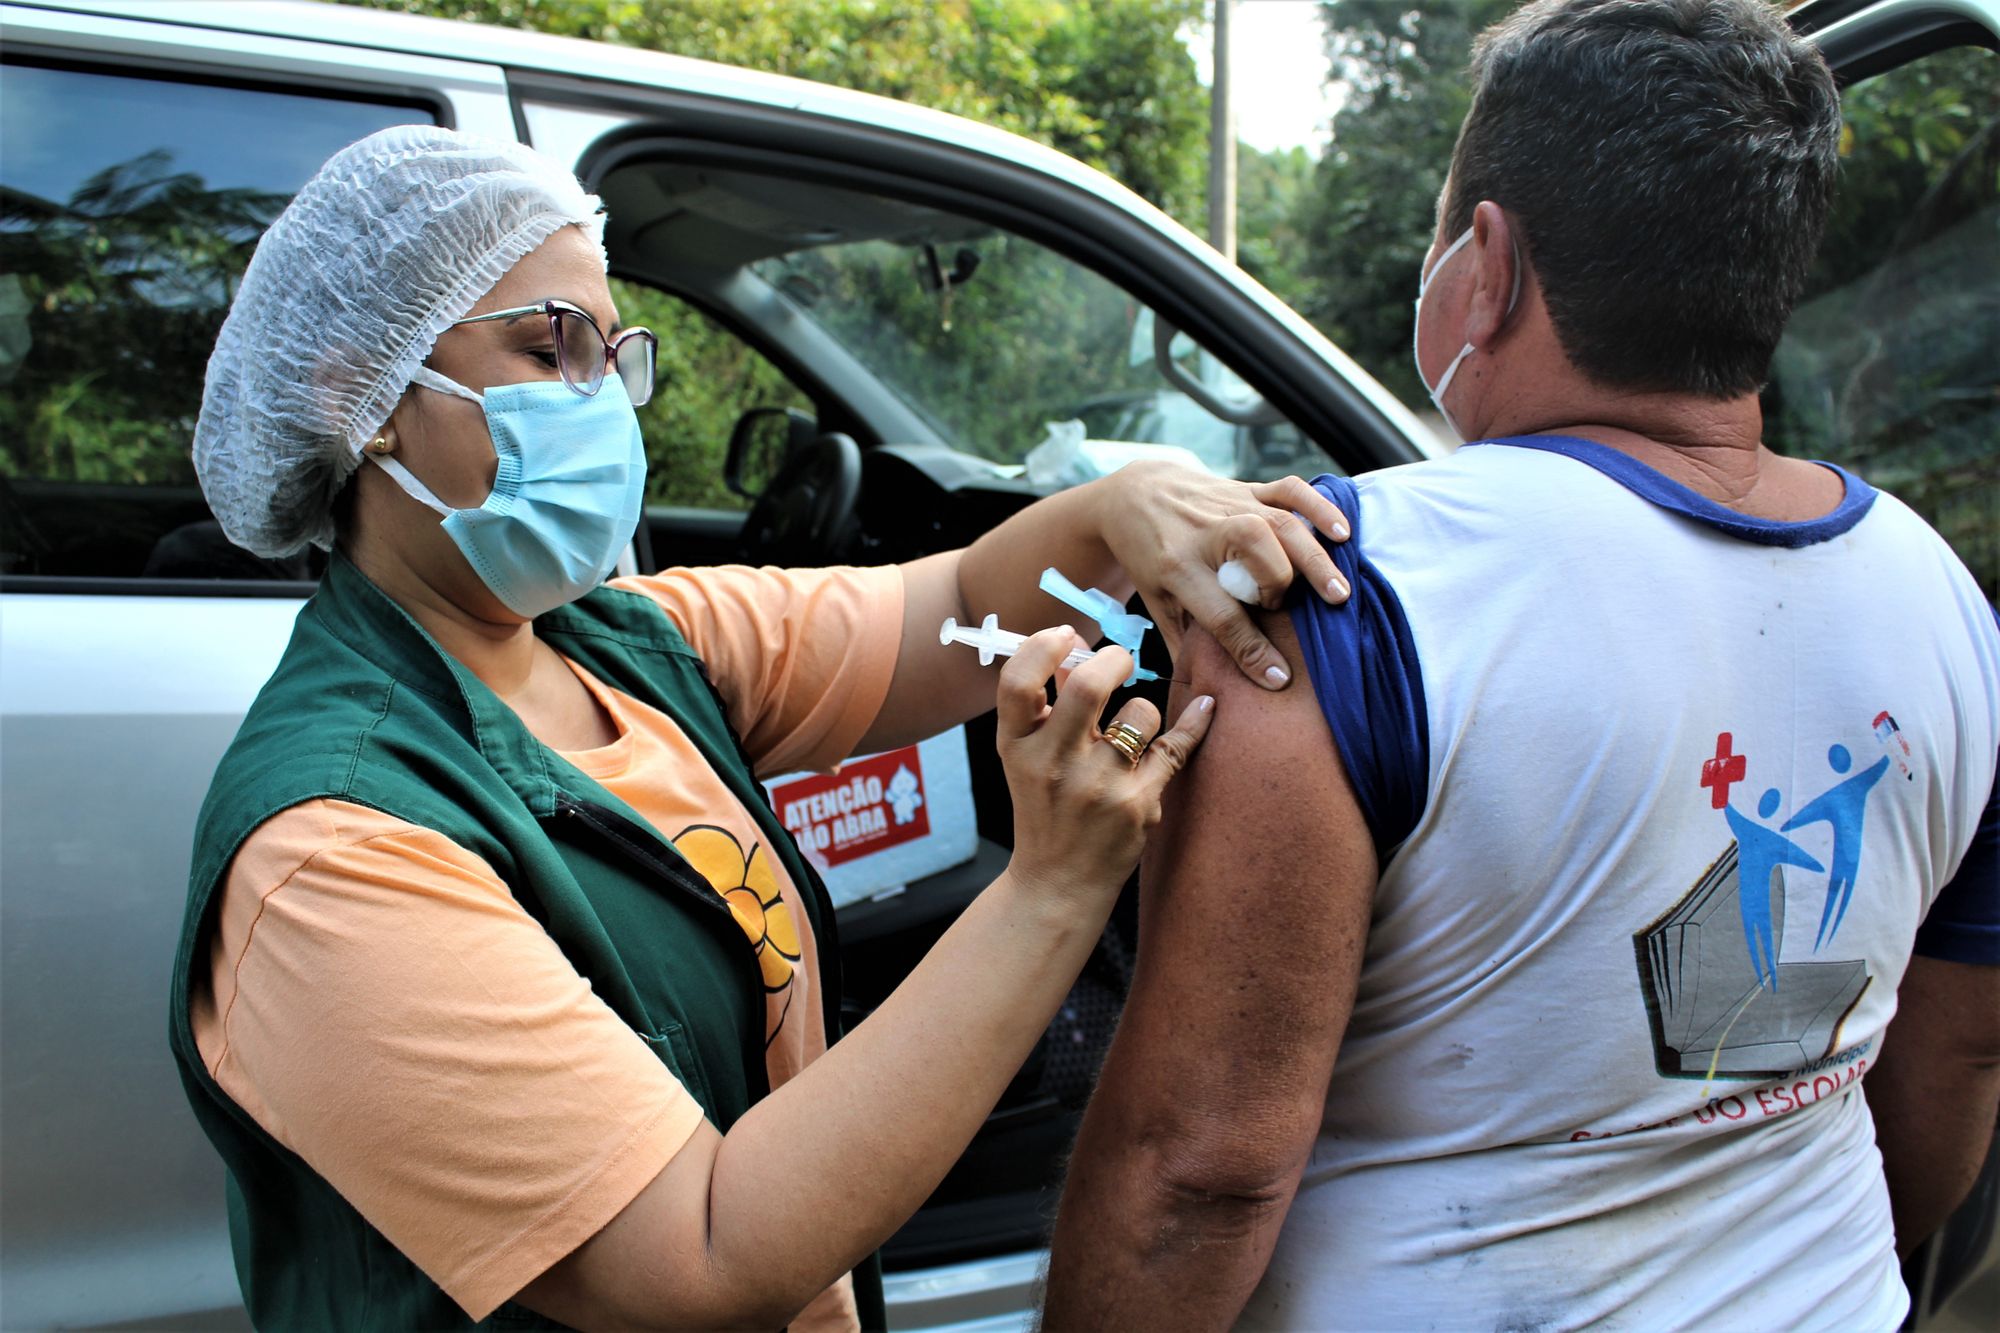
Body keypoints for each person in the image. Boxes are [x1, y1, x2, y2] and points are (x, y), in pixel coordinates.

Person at [165, 124, 1356, 1332]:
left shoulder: (629, 641)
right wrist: (1049, 890)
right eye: (546, 347)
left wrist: (1118, 506)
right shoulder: (334, 853)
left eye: (610, 355)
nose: (600, 404)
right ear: (355, 398)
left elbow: (948, 610)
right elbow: (701, 1255)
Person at [1043, 2, 2000, 1328]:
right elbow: (1954, 1053)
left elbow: (1200, 1173)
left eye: (1447, 226)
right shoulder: (1945, 601)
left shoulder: (1333, 589)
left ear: (1483, 262)